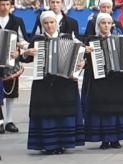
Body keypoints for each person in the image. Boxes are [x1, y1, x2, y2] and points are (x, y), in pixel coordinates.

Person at [23, 11, 85, 155]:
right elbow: (25, 59)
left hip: (64, 83)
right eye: (46, 23)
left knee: (64, 112)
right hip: (44, 83)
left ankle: (63, 143)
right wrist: (26, 53)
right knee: (47, 113)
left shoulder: (68, 38)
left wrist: (81, 63)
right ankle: (48, 144)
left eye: (51, 22)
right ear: (42, 25)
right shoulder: (37, 40)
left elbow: (79, 56)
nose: (49, 26)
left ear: (56, 23)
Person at [82, 13, 123, 149]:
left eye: (108, 23)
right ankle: (104, 139)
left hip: (118, 80)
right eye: (103, 23)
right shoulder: (91, 41)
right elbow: (82, 61)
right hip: (100, 79)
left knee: (117, 108)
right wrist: (85, 52)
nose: (106, 26)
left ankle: (116, 138)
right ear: (98, 25)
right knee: (102, 109)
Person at [0, 0, 28, 132]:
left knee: (11, 91)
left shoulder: (17, 21)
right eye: (1, 4)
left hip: (11, 61)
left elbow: (24, 40)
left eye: (7, 4)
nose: (4, 7)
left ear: (11, 6)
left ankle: (9, 120)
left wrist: (19, 52)